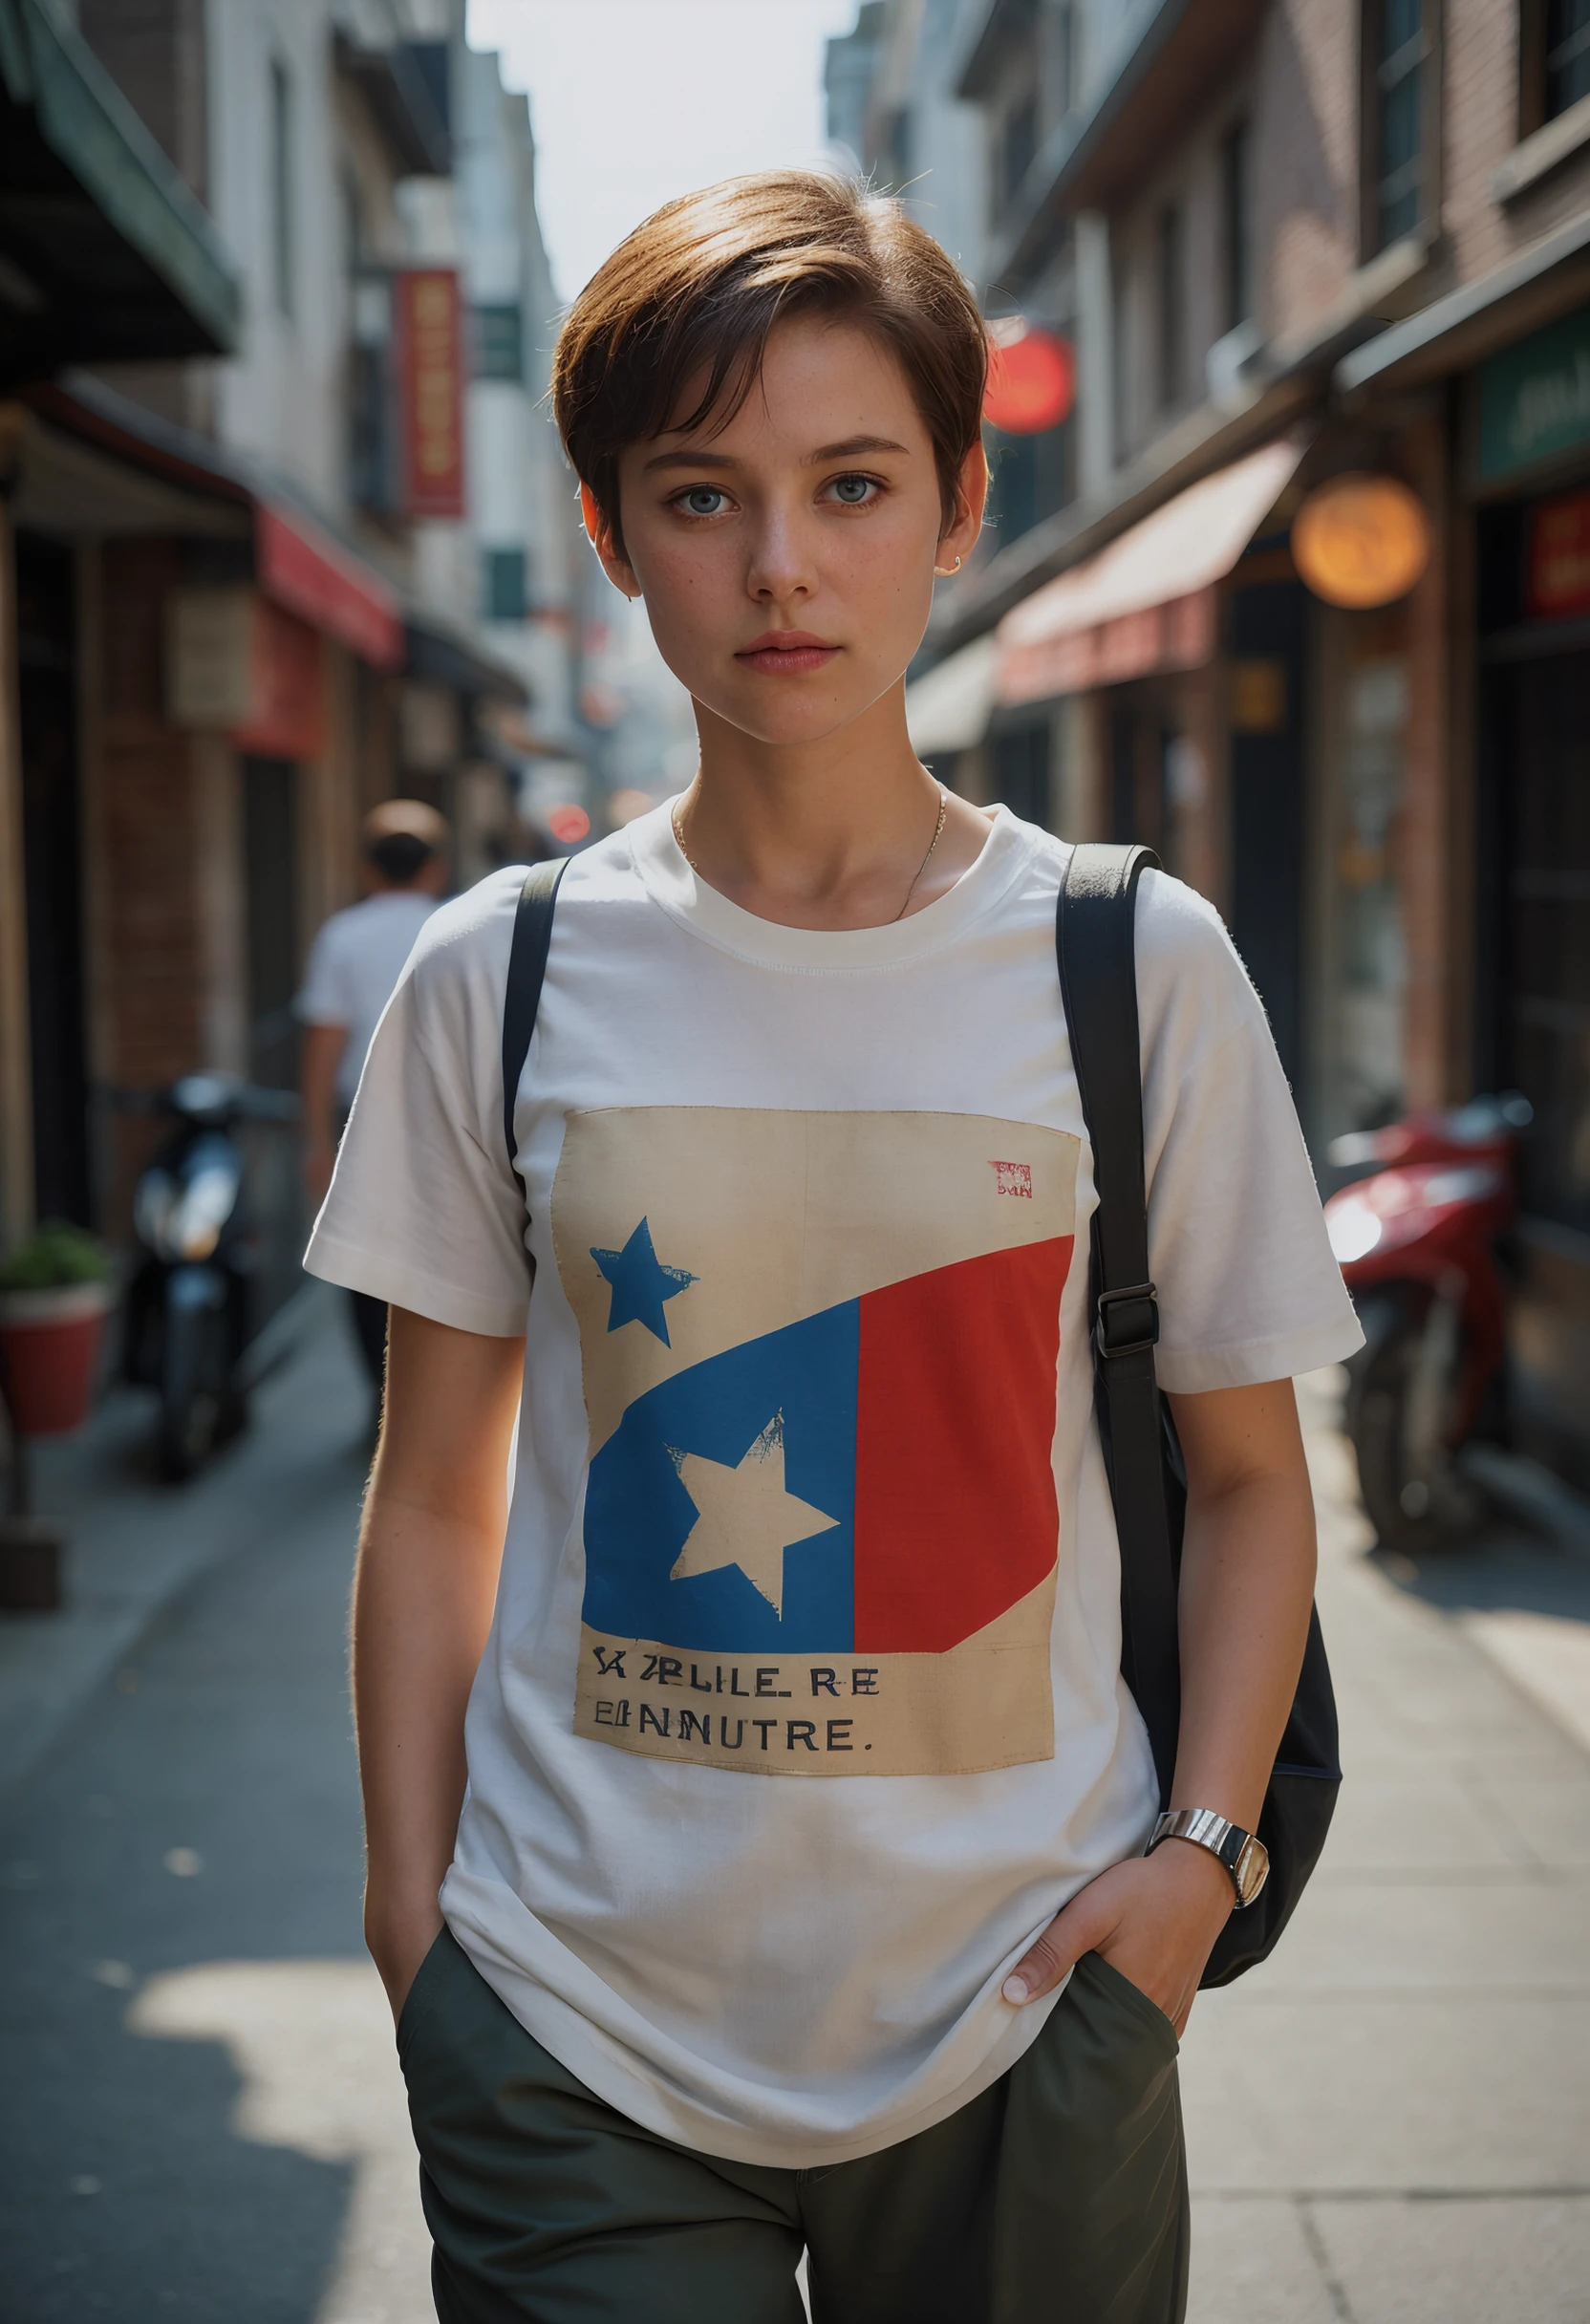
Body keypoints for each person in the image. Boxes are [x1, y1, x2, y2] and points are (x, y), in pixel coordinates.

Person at [306, 175, 1363, 2323]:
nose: (780, 565)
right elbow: (430, 1497)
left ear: (960, 504)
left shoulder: (1125, 963)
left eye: (851, 484)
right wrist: (417, 1932)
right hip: (568, 2025)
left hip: (1025, 2006)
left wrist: (1199, 1872)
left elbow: (1250, 1480)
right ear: (608, 531)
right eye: (702, 496)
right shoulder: (492, 976)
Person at [297, 799, 448, 1394]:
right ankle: (432, 1398)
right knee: (450, 1257)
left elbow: (322, 1048)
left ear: (367, 868)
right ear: (435, 867)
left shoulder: (342, 935)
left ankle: (382, 1403)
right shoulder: (464, 924)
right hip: (450, 1117)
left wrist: (314, 1142)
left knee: (366, 1266)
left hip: (359, 1118)